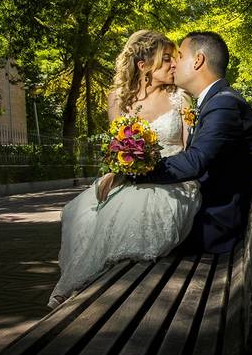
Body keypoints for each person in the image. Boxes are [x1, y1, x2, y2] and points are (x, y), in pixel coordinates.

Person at [48, 30, 201, 308]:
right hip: (131, 177)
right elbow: (118, 148)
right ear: (143, 66)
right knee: (82, 213)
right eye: (166, 59)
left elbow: (189, 151)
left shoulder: (180, 98)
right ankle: (85, 291)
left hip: (171, 181)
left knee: (127, 213)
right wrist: (116, 170)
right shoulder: (118, 100)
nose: (173, 65)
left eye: (174, 58)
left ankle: (110, 294)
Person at [130, 30, 252, 254]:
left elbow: (195, 161)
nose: (174, 64)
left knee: (125, 223)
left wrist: (136, 172)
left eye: (179, 56)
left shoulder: (224, 105)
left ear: (198, 61)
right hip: (211, 215)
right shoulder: (217, 101)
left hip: (216, 227)